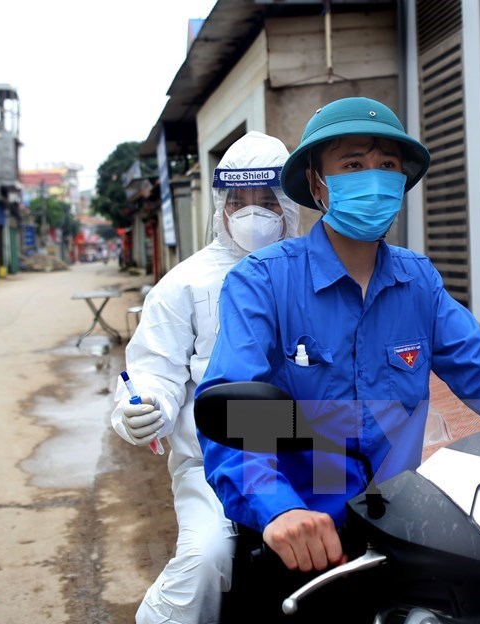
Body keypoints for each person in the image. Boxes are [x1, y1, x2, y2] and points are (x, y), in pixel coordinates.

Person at [196, 97, 480, 578]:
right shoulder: (262, 282)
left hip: (398, 525)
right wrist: (278, 508)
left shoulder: (418, 283)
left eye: (386, 165)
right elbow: (233, 410)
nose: (373, 177)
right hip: (300, 536)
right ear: (316, 183)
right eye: (352, 164)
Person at [110, 131, 300, 624]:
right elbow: (155, 367)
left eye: (266, 200)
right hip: (214, 463)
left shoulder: (314, 274)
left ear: (289, 204)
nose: (253, 214)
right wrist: (145, 405)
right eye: (240, 201)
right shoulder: (185, 284)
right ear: (222, 206)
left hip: (311, 457)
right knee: (207, 560)